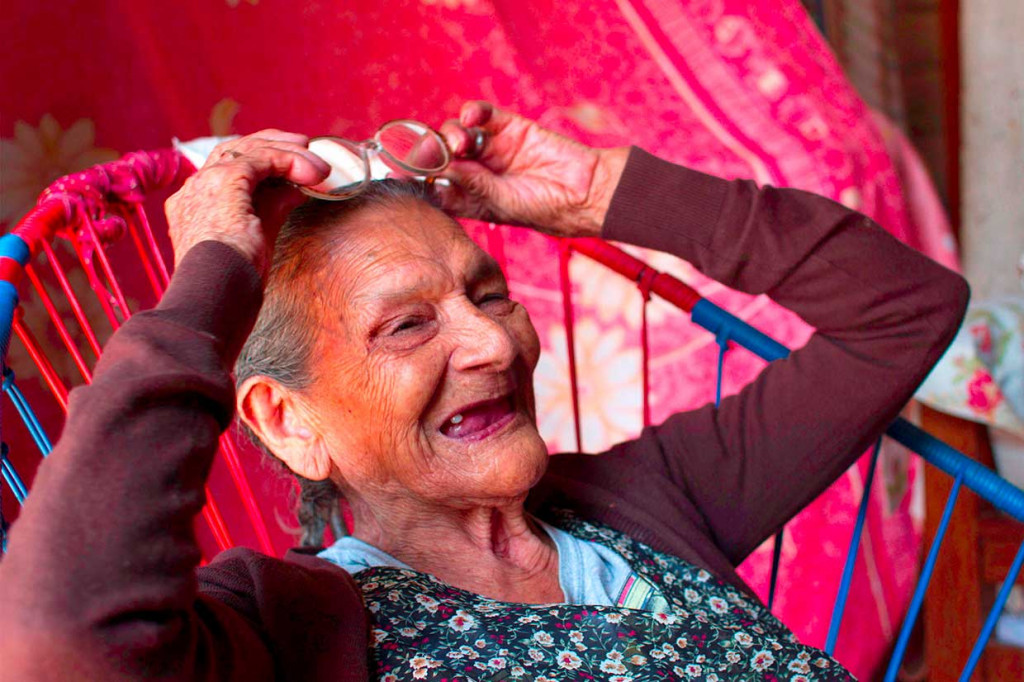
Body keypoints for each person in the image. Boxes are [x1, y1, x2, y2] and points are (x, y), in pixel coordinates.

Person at [0, 102, 968, 681]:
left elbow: (906, 311)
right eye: (407, 324)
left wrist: (599, 194)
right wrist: (210, 277)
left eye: (488, 292)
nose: (490, 343)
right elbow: (56, 640)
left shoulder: (646, 500)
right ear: (288, 422)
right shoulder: (290, 626)